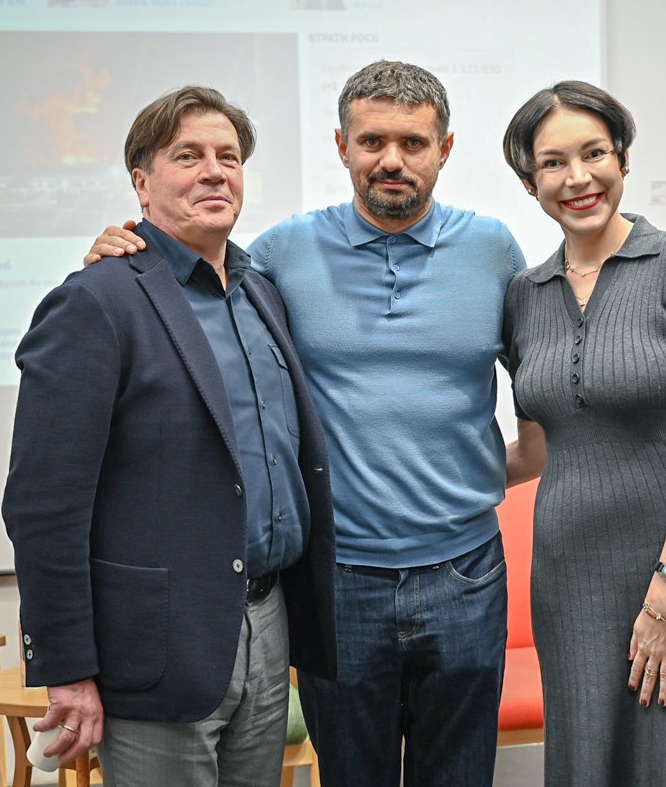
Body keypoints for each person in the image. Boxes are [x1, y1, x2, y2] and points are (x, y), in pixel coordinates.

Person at [86, 61, 526, 787]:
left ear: (445, 149)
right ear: (341, 145)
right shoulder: (280, 254)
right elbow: (187, 291)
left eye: (414, 143)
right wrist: (120, 254)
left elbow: (544, 388)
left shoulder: (494, 250)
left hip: (466, 573)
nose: (392, 160)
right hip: (336, 580)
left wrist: (473, 471)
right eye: (372, 141)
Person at [1, 85, 337, 785]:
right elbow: (44, 505)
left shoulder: (259, 292)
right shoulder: (96, 301)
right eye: (188, 156)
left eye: (228, 157)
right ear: (142, 183)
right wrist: (67, 668)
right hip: (157, 644)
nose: (215, 172)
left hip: (268, 623)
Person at [501, 81, 666, 786]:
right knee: (589, 761)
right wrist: (414, 477)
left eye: (594, 153)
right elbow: (537, 450)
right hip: (567, 582)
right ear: (530, 183)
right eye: (553, 162)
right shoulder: (524, 295)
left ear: (623, 159)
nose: (578, 177)